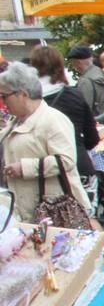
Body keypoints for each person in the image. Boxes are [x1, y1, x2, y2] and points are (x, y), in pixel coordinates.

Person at [0, 62, 91, 222]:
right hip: (28, 210)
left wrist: (24, 167)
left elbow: (66, 160)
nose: (3, 102)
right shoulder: (16, 121)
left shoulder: (52, 119)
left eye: (4, 96)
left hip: (54, 212)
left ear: (23, 94)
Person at [28, 44, 98, 178]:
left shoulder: (28, 99)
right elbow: (92, 137)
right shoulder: (75, 95)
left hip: (44, 172)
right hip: (79, 166)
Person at [69, 44, 104, 121]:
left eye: (73, 62)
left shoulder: (85, 80)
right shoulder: (101, 72)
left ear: (78, 63)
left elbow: (85, 108)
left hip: (95, 122)